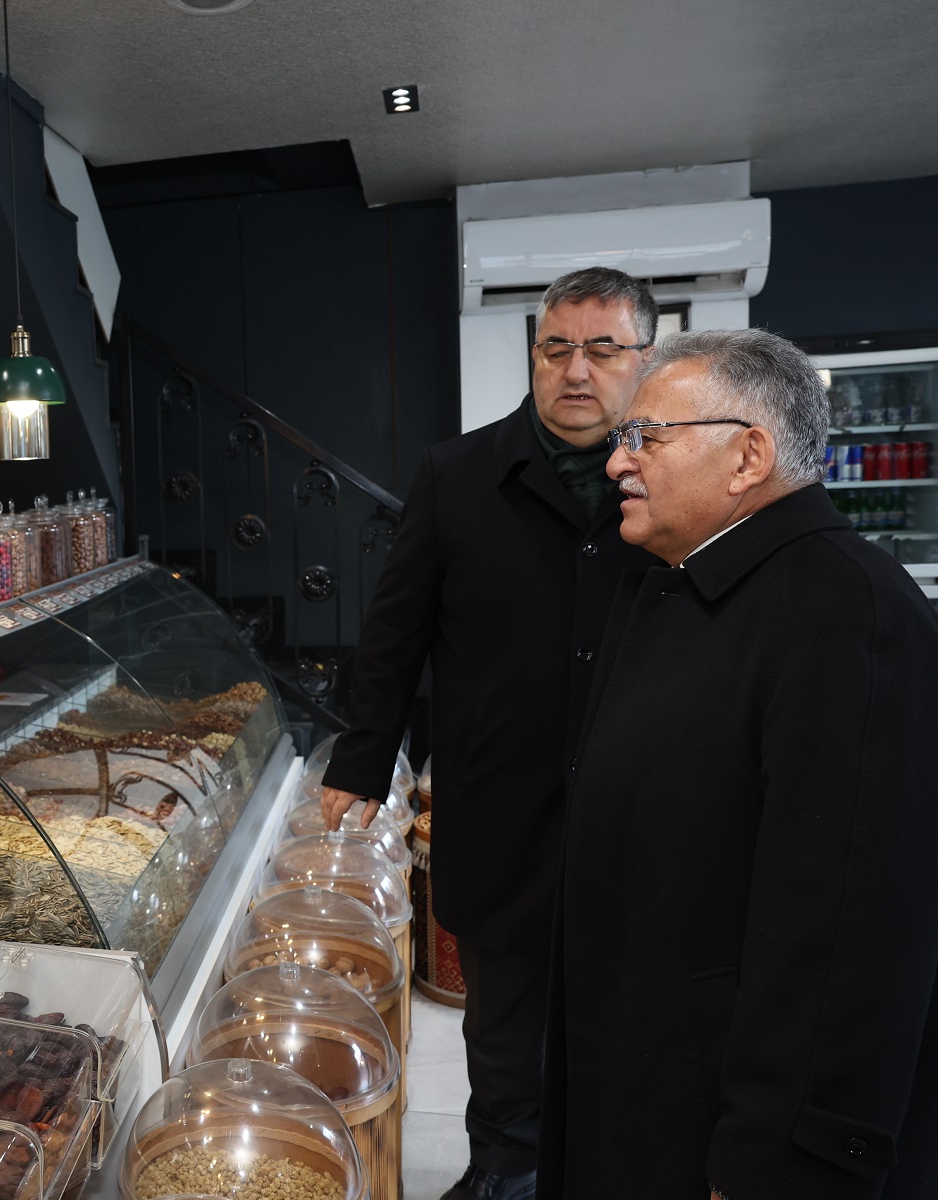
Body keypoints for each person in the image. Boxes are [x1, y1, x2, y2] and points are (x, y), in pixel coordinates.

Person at [540, 329, 938, 1199]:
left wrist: (779, 1164)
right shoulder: (669, 585)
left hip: (731, 1129)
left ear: (748, 456)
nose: (618, 462)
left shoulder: (848, 613)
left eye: (646, 436)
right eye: (623, 438)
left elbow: (848, 933)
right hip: (644, 1074)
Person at [319, 267, 663, 1200]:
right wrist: (362, 757)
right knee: (505, 1028)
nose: (576, 371)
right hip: (501, 806)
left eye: (603, 349)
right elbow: (395, 630)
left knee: (624, 1024)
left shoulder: (673, 479)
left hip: (638, 813)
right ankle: (504, 1173)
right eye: (557, 348)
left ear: (646, 359)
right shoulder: (458, 473)